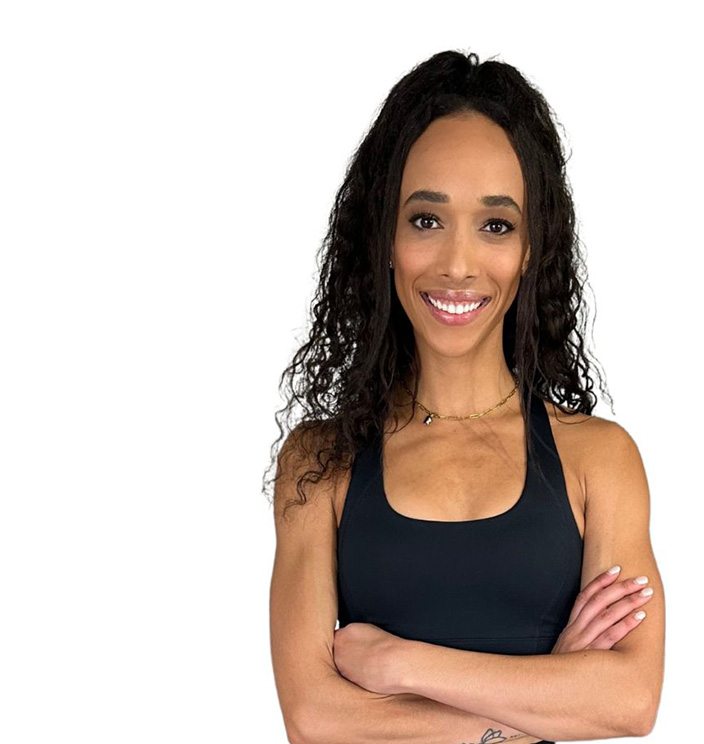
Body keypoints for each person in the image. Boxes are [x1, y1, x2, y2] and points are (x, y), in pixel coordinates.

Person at [266, 49, 665, 744]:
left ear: (532, 248)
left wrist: (399, 663)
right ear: (384, 237)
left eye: (496, 225)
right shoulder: (320, 464)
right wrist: (547, 693)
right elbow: (314, 718)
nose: (457, 263)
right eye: (425, 220)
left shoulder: (598, 459)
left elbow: (630, 700)